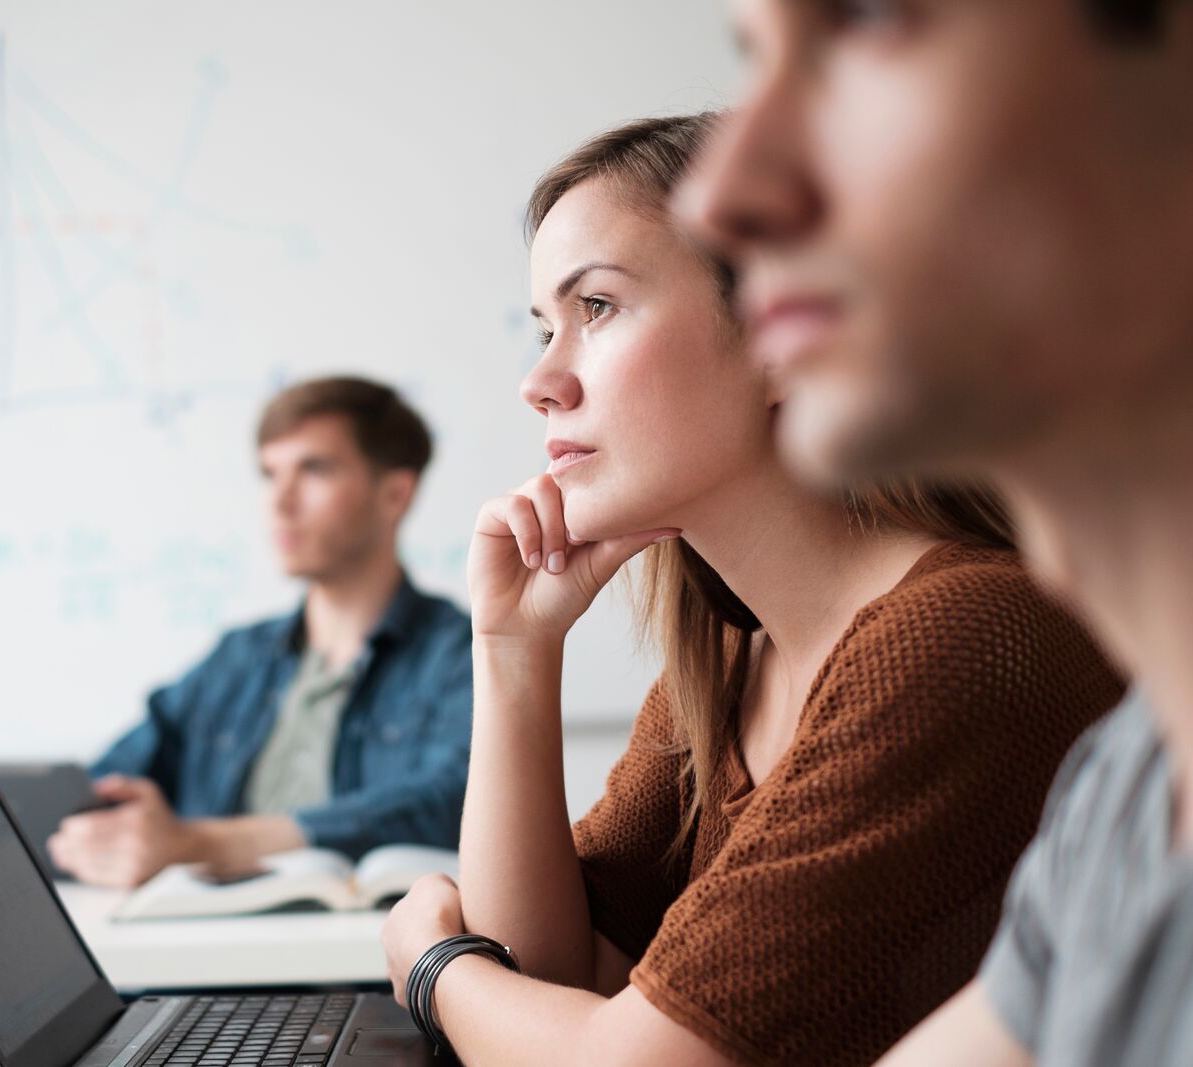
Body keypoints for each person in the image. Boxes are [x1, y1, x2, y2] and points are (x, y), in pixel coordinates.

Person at [378, 116, 1123, 1067]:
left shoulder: (961, 636)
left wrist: (435, 966)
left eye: (597, 306)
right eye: (543, 329)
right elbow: (558, 976)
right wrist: (515, 652)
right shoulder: (732, 662)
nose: (541, 381)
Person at [676, 1, 1193, 1064]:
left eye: (868, 22)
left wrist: (438, 961)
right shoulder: (1131, 788)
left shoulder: (964, 634)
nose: (720, 197)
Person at [48, 377, 472, 888]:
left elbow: (455, 799)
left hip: (373, 938)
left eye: (314, 470)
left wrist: (200, 844)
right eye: (270, 474)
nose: (280, 502)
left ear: (395, 494)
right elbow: (109, 782)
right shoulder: (239, 658)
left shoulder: (460, 655)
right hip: (204, 935)